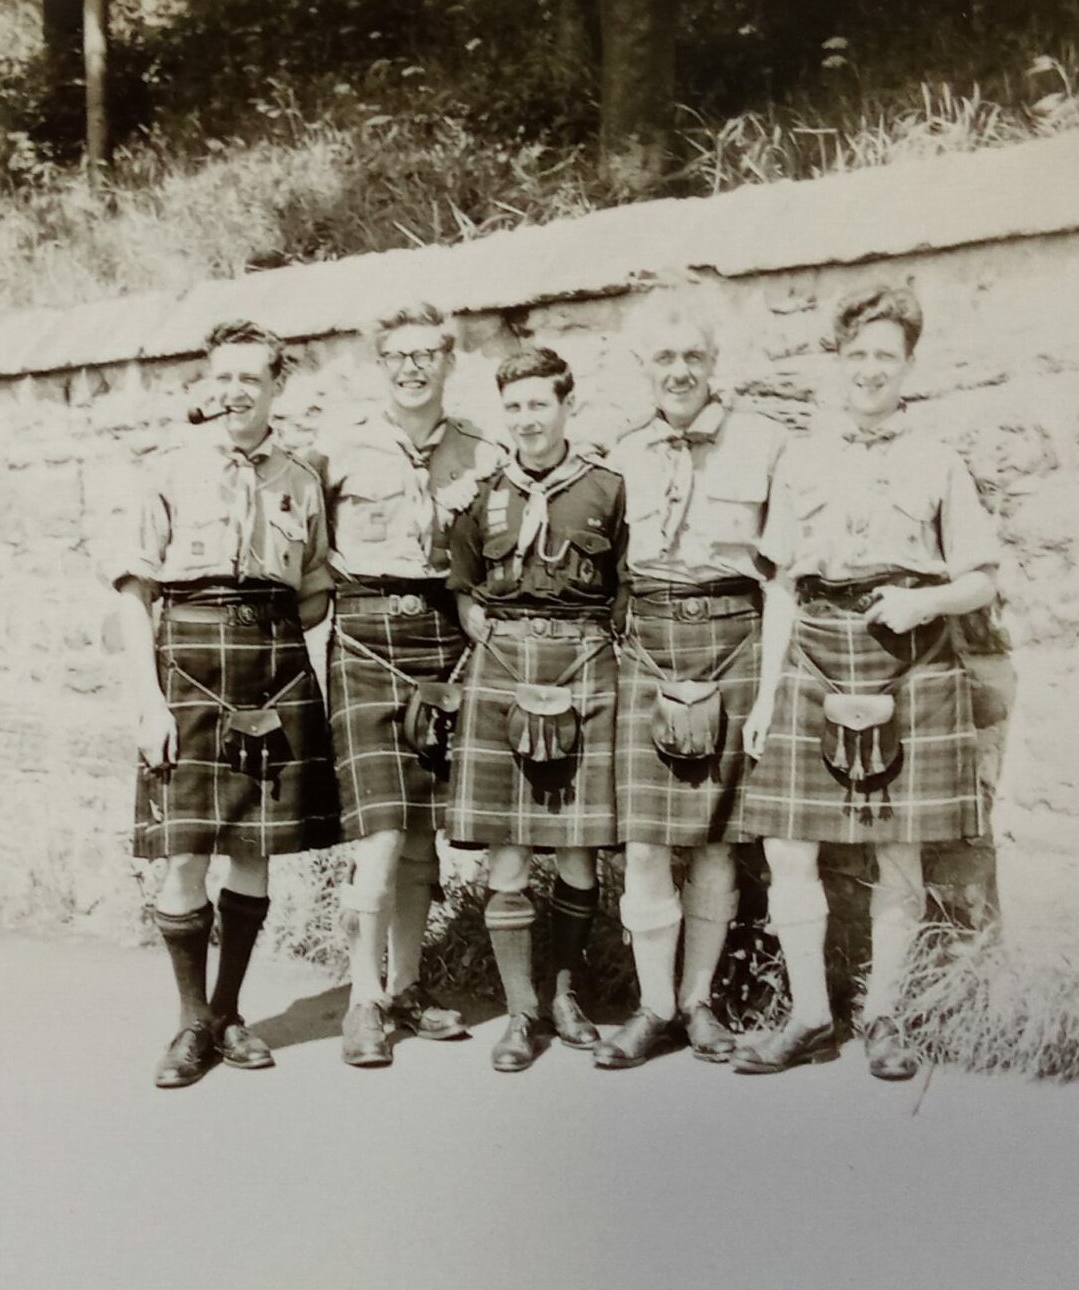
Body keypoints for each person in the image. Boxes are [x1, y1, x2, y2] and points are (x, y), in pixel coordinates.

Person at [740, 284, 999, 1078]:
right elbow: (781, 586)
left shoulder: (937, 460)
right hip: (815, 648)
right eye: (857, 355)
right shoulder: (801, 457)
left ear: (909, 364)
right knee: (788, 844)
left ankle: (884, 1017)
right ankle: (810, 1017)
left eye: (886, 356)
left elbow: (983, 578)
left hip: (910, 654)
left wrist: (925, 600)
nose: (870, 369)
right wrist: (766, 693)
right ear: (838, 361)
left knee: (899, 849)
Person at [112, 319, 339, 1088]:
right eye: (224, 377)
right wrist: (149, 703)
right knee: (185, 852)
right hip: (187, 666)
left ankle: (228, 1013)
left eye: (252, 377)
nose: (236, 390)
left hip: (271, 669)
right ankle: (190, 1023)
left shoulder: (302, 479)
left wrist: (273, 648)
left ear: (278, 385)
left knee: (253, 847)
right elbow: (133, 594)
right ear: (208, 385)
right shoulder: (168, 469)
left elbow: (314, 593)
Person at [596, 300, 790, 1069]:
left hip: (734, 634)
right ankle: (652, 1007)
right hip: (648, 642)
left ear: (715, 363)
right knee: (645, 843)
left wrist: (768, 691)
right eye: (664, 358)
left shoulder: (765, 443)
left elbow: (784, 577)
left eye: (693, 357)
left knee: (717, 843)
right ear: (644, 368)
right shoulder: (621, 454)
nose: (679, 371)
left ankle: (698, 1002)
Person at [311, 302, 500, 1067]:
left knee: (422, 832)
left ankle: (407, 986)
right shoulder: (339, 450)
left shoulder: (481, 452)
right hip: (365, 635)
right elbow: (307, 548)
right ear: (380, 364)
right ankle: (363, 997)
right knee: (382, 832)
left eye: (427, 354)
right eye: (398, 355)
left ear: (449, 360)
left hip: (444, 638)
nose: (413, 367)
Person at [447, 347, 628, 1071]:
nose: (527, 419)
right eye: (514, 407)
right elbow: (463, 579)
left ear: (566, 406)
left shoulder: (609, 488)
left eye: (539, 404)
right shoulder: (484, 493)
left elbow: (626, 584)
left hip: (583, 663)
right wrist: (479, 625)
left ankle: (564, 996)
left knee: (579, 848)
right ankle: (521, 1011)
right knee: (510, 848)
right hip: (504, 663)